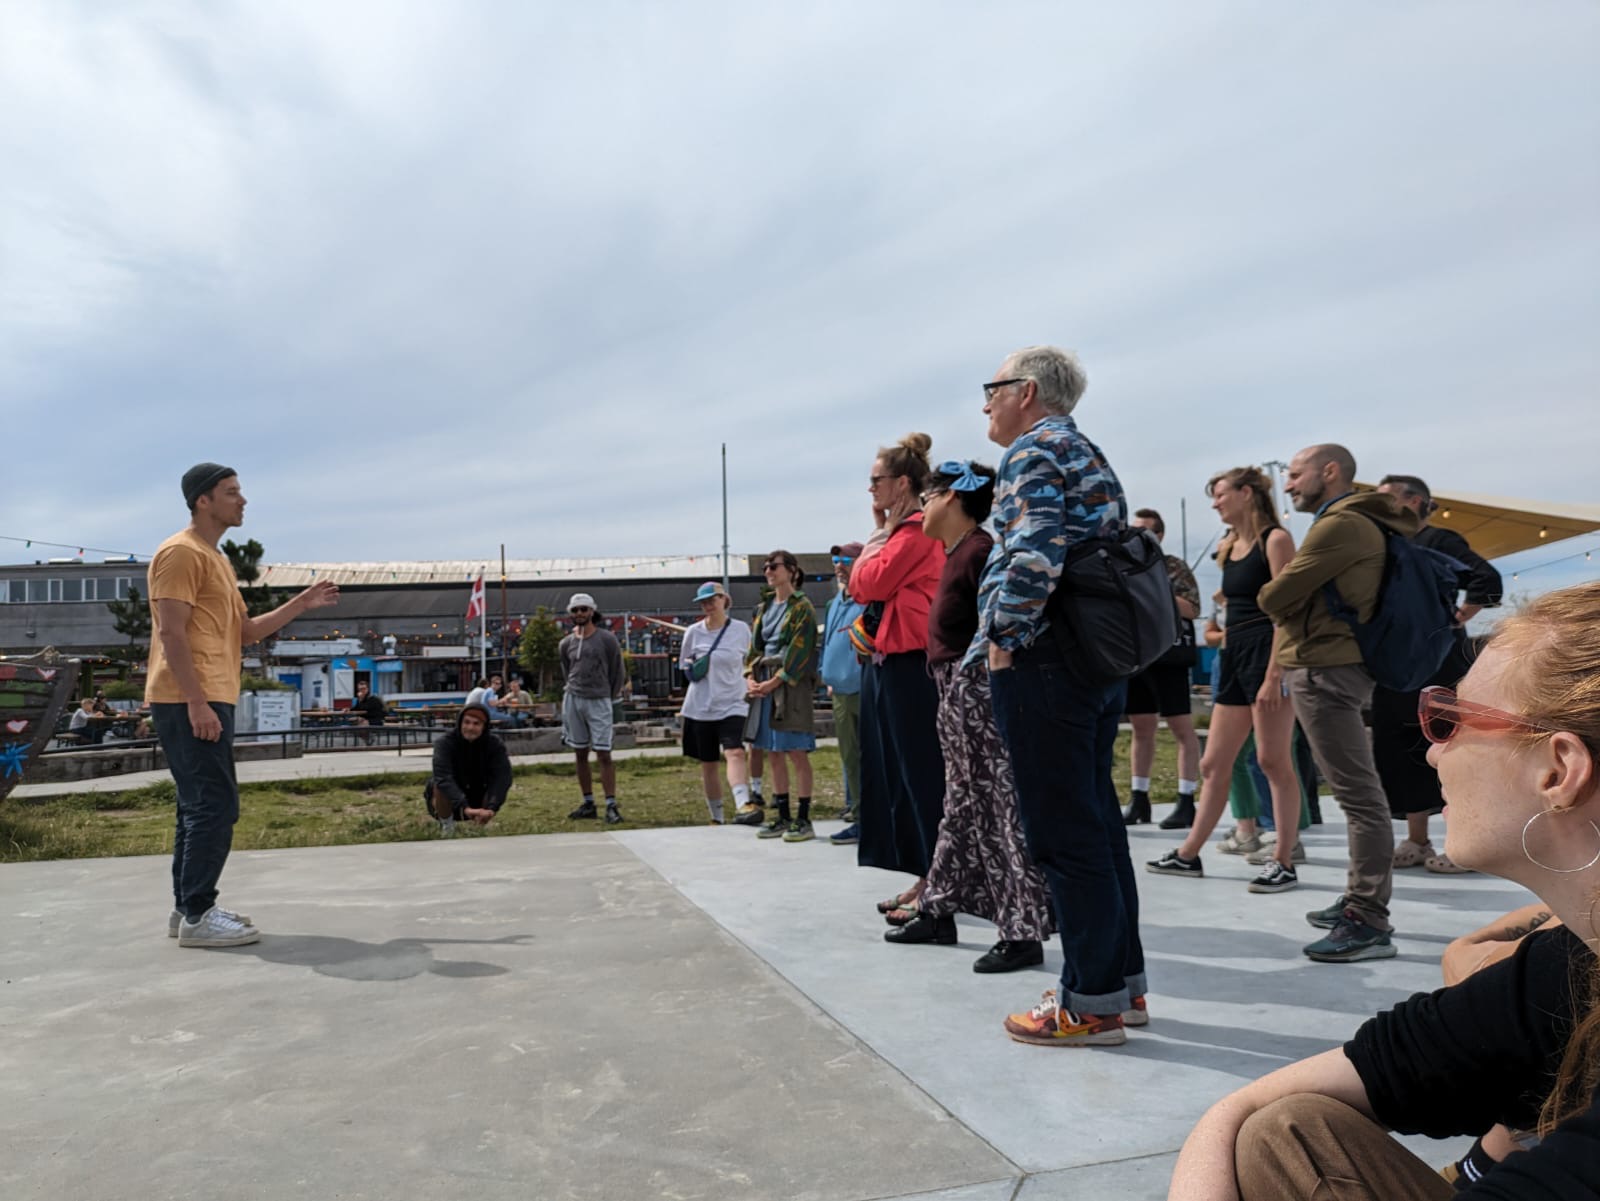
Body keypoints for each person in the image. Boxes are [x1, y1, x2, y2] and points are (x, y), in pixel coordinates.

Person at [1168, 582, 1600, 1201]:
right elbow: (1249, 1106)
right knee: (1284, 1132)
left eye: (1452, 721)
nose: (1431, 751)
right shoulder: (1573, 960)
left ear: (1558, 770)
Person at [969, 346, 1145, 1047]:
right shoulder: (1084, 451)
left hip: (1046, 658)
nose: (986, 401)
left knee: (1064, 834)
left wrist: (1006, 632)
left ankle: (1090, 1005)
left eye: (994, 387)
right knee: (1097, 825)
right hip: (1092, 658)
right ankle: (1117, 986)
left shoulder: (1032, 452)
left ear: (1028, 391)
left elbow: (1036, 549)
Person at [149, 463, 338, 948]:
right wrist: (196, 703)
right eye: (231, 492)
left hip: (211, 693)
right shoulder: (180, 553)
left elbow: (245, 632)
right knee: (216, 806)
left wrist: (301, 603)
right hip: (189, 696)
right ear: (202, 501)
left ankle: (187, 909)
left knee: (197, 806)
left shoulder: (217, 559)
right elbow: (171, 632)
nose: (243, 500)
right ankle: (199, 916)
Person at [884, 460, 1056, 974]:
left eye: (931, 495)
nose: (923, 505)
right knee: (960, 803)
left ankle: (1022, 931)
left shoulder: (980, 551)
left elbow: (1000, 627)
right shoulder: (957, 551)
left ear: (955, 498)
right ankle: (939, 909)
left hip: (978, 688)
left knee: (998, 808)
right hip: (954, 688)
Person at [1258, 444, 1419, 962]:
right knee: (1357, 794)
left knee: (1358, 797)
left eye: (1296, 474)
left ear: (1330, 472)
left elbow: (1273, 598)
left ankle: (1368, 919)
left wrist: (1281, 595)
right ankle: (1358, 899)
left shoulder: (1340, 525)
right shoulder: (1354, 521)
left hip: (1325, 669)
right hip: (1329, 665)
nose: (1287, 485)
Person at [1148, 468, 1306, 894]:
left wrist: (1275, 674)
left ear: (1246, 493)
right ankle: (1188, 854)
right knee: (1213, 763)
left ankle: (1284, 861)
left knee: (1273, 761)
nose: (1215, 503)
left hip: (1266, 653)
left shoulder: (1276, 540)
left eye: (1220, 495)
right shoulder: (1227, 546)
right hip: (1232, 654)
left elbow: (1287, 613)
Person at [1373, 474, 1503, 875]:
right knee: (1400, 751)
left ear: (1413, 502)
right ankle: (1416, 839)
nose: (1378, 508)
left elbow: (1487, 580)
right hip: (1395, 664)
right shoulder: (1386, 545)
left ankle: (1467, 845)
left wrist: (1455, 618)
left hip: (1439, 661)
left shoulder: (1441, 540)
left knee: (1450, 747)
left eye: (1386, 500)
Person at [850, 433, 947, 909]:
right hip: (892, 664)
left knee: (920, 775)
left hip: (911, 666)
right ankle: (925, 875)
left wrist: (876, 537)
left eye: (876, 480)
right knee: (899, 776)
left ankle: (938, 880)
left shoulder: (915, 532)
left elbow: (865, 582)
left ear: (901, 482)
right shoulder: (903, 530)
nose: (870, 489)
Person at [1122, 508, 1203, 828]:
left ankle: (1186, 799)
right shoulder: (1124, 567)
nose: (1139, 537)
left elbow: (1192, 608)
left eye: (1146, 531)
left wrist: (1156, 590)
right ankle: (1139, 796)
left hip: (1169, 657)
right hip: (1138, 655)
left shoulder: (1173, 567)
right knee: (1142, 728)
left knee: (1182, 727)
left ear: (1160, 535)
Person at [742, 550, 820, 842]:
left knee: (796, 750)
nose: (768, 571)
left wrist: (775, 681)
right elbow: (754, 648)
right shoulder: (764, 608)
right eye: (765, 568)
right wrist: (751, 676)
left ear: (791, 570)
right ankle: (783, 814)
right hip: (764, 682)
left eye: (773, 566)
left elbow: (801, 650)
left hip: (789, 685)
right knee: (772, 751)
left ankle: (804, 818)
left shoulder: (802, 607)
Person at [677, 582, 754, 824]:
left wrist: (751, 681)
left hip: (733, 701)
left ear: (724, 600)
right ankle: (717, 816)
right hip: (700, 705)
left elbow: (750, 661)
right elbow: (684, 666)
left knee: (735, 751)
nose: (709, 605)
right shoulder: (693, 632)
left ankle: (743, 803)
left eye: (713, 599)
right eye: (704, 602)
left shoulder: (741, 630)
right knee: (708, 762)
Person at [559, 594, 627, 823]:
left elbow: (617, 669)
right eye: (576, 610)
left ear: (592, 612)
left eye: (584, 609)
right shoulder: (566, 643)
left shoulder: (606, 639)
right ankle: (588, 801)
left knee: (604, 753)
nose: (580, 614)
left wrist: (611, 695)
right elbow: (566, 668)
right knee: (579, 752)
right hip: (574, 697)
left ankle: (611, 803)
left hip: (599, 699)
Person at [821, 542, 867, 845]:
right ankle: (859, 815)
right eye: (836, 560)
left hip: (863, 688)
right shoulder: (835, 601)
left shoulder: (869, 598)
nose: (839, 565)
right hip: (838, 690)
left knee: (870, 756)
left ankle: (873, 817)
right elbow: (828, 641)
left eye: (846, 559)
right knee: (849, 757)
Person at [423, 703, 512, 835]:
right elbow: (443, 777)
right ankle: (447, 827)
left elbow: (503, 777)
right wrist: (464, 807)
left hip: (479, 793)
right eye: (467, 722)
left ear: (484, 727)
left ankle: (482, 823)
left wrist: (492, 807)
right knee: (439, 784)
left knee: (496, 783)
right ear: (460, 723)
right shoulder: (444, 743)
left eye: (476, 724)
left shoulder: (495, 744)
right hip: (450, 800)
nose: (470, 728)